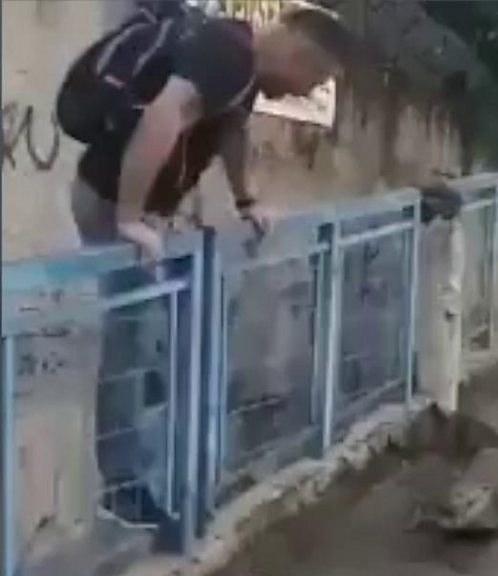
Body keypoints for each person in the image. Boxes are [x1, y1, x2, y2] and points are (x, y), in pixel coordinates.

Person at [65, 3, 349, 527]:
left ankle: (155, 470)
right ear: (298, 49)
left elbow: (230, 134)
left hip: (138, 210)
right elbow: (163, 116)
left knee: (152, 334)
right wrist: (131, 216)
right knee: (131, 333)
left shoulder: (241, 67)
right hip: (113, 202)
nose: (306, 92)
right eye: (313, 77)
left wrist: (246, 201)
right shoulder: (227, 54)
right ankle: (122, 486)